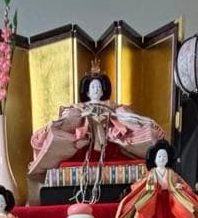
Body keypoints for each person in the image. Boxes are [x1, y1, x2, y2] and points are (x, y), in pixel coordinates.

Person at [27, 64, 165, 199]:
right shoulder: (79, 107)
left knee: (139, 133)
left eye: (99, 87)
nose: (96, 89)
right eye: (93, 87)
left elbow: (125, 116)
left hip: (109, 137)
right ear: (87, 91)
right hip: (85, 139)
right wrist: (83, 117)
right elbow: (69, 118)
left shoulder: (111, 105)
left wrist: (119, 116)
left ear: (103, 90)